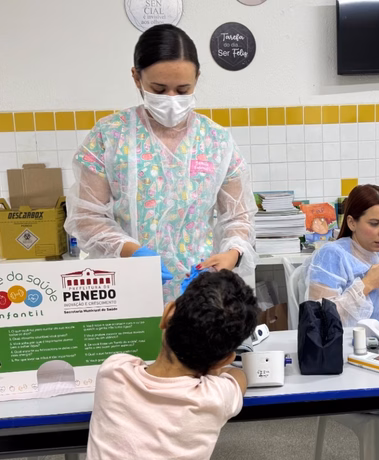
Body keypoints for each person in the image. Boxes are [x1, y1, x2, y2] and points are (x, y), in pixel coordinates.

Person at [65, 24, 257, 303]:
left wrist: (232, 253)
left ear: (197, 79)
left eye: (182, 89)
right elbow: (86, 217)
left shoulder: (216, 141)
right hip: (128, 290)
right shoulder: (110, 136)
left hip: (199, 294)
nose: (171, 100)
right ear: (136, 77)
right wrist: (131, 250)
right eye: (158, 88)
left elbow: (238, 217)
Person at [83, 270, 259, 460]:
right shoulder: (214, 397)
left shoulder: (113, 372)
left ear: (167, 314)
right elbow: (240, 378)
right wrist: (218, 366)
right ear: (225, 359)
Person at [303, 184, 379, 327]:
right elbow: (320, 322)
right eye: (375, 224)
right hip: (345, 347)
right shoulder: (331, 256)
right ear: (351, 223)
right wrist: (367, 284)